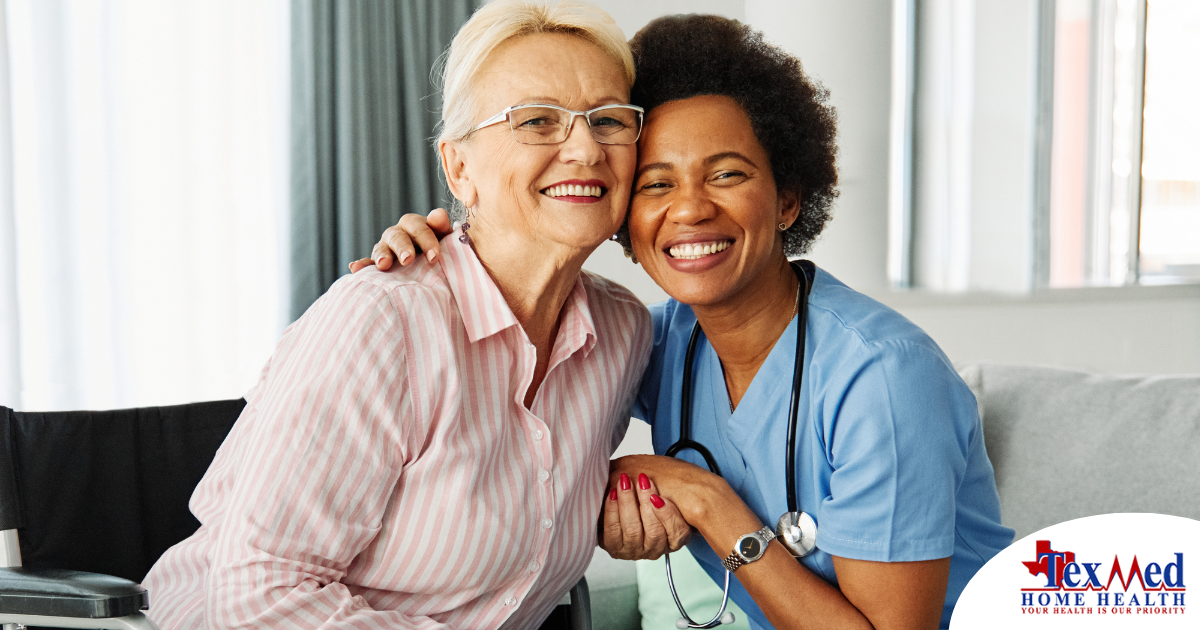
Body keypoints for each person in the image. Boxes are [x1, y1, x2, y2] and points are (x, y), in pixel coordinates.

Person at [355, 14, 1014, 630]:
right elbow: (519, 383)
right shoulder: (653, 341)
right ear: (625, 220)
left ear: (787, 199)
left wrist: (705, 502)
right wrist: (439, 257)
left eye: (726, 174)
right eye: (656, 184)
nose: (690, 210)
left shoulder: (883, 378)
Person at [140, 2, 693, 628]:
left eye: (609, 120)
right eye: (537, 121)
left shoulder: (624, 333)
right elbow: (258, 594)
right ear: (458, 167)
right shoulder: (382, 322)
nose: (586, 148)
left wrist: (614, 504)